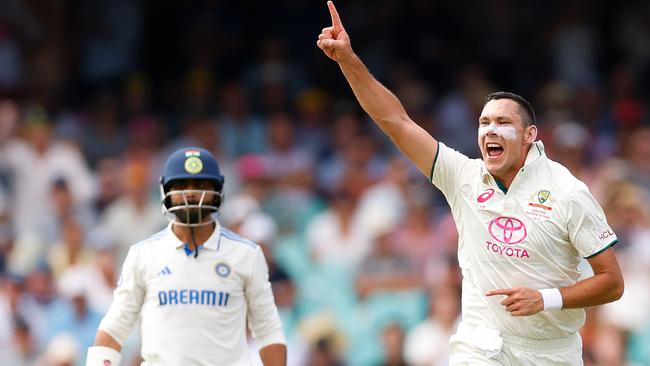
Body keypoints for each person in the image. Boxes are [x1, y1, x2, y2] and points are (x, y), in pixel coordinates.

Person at [316, 2, 624, 365]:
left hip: (550, 350)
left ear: (530, 135)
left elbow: (612, 283)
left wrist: (545, 298)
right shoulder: (462, 176)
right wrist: (349, 60)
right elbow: (396, 121)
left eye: (502, 122)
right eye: (484, 122)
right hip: (481, 343)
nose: (490, 130)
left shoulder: (568, 192)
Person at [86, 147, 287, 365]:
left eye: (201, 186)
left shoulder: (246, 254)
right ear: (165, 192)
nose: (190, 193)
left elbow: (267, 330)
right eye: (181, 185)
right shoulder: (143, 255)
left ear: (218, 192)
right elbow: (114, 330)